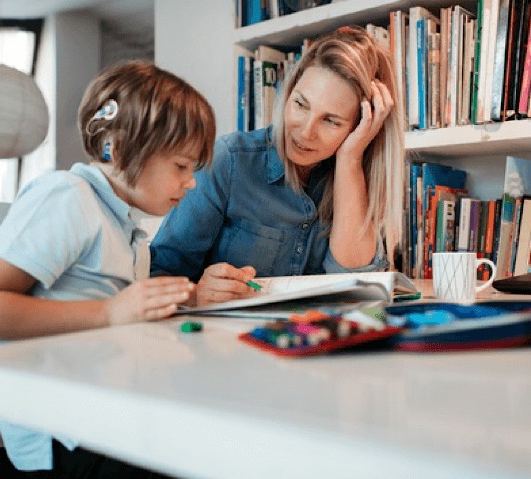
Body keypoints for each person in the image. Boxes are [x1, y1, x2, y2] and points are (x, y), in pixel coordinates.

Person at [0, 60, 215, 479]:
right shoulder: (68, 198)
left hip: (101, 420)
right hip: (63, 439)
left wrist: (184, 298)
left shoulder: (124, 228)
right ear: (124, 149)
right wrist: (109, 313)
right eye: (182, 166)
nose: (191, 184)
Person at [150, 26, 404, 306]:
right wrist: (197, 294)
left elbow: (359, 290)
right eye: (300, 104)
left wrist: (350, 159)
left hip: (318, 342)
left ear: (361, 126)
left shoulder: (361, 178)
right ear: (288, 91)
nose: (306, 132)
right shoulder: (230, 160)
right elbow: (158, 274)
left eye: (331, 121)